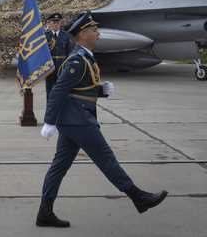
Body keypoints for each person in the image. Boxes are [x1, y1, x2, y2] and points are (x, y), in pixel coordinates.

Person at [36, 12, 167, 228]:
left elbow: (80, 87)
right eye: (94, 30)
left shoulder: (85, 56)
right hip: (77, 120)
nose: (98, 34)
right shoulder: (76, 60)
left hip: (75, 118)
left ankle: (45, 212)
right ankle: (138, 197)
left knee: (59, 166)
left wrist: (100, 91)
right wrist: (49, 121)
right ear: (82, 34)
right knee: (106, 158)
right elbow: (59, 89)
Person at [45, 13, 74, 98]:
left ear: (60, 23)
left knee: (62, 89)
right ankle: (50, 109)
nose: (55, 24)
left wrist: (68, 66)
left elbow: (70, 52)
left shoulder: (66, 35)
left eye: (57, 22)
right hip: (50, 66)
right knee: (50, 90)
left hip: (62, 66)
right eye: (53, 22)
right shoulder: (45, 36)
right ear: (49, 23)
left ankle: (61, 109)